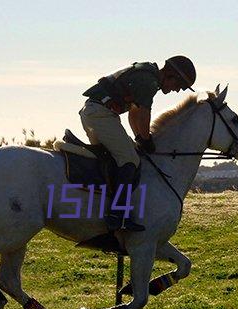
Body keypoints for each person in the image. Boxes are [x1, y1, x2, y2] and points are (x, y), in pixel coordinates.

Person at [80, 55, 196, 232]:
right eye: (178, 86)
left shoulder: (148, 77)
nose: (176, 90)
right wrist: (146, 139)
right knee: (130, 160)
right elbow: (143, 114)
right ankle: (117, 215)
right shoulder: (148, 82)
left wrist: (140, 138)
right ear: (171, 75)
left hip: (97, 113)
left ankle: (105, 209)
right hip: (100, 115)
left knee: (120, 158)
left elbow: (133, 113)